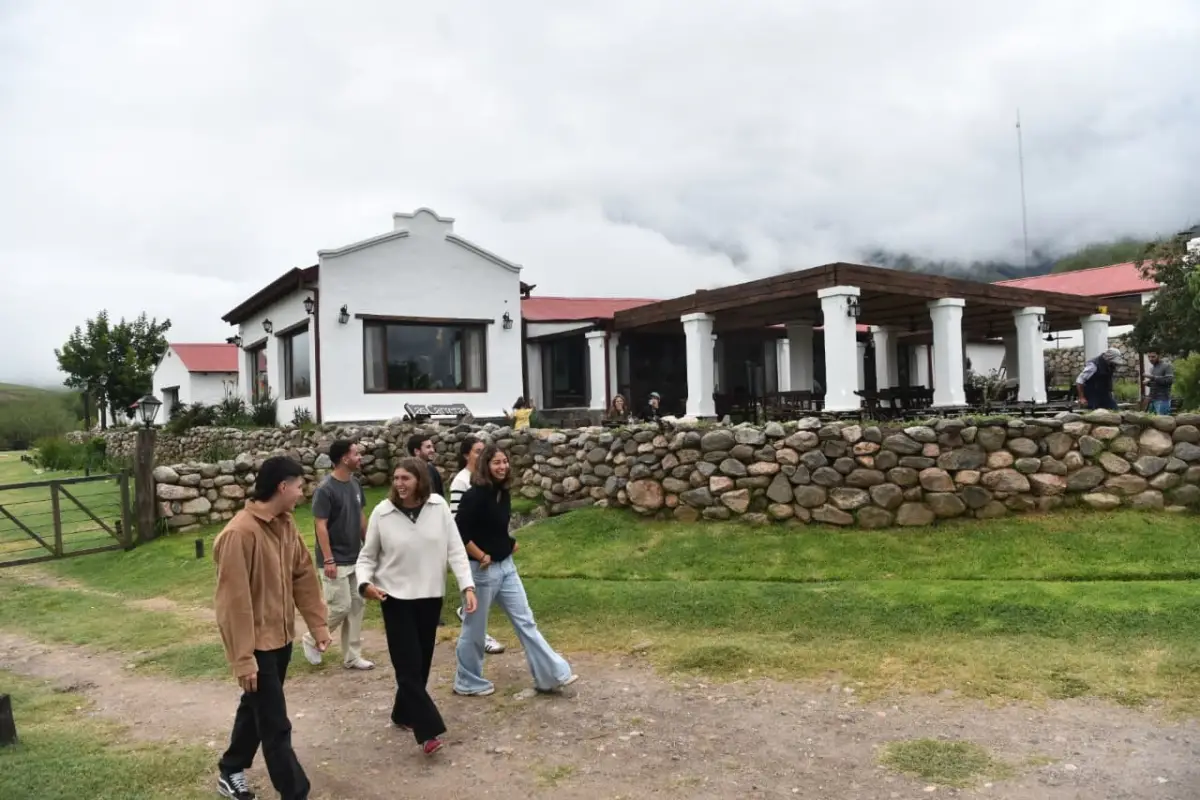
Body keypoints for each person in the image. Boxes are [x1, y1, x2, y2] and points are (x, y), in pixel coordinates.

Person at [213, 456, 330, 800]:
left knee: (257, 708)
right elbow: (233, 604)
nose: (301, 493)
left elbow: (304, 576)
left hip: (281, 640)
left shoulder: (286, 524)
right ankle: (296, 793)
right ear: (282, 486)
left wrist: (318, 624)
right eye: (298, 486)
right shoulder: (239, 533)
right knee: (276, 724)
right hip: (256, 647)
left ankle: (231, 768)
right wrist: (243, 658)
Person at [356, 459, 477, 756]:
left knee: (420, 664)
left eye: (406, 478)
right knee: (407, 667)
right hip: (393, 598)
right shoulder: (382, 513)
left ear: (420, 480)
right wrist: (364, 584)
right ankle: (428, 730)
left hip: (429, 596)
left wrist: (467, 586)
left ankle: (402, 714)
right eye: (396, 478)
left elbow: (456, 550)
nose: (399, 483)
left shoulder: (439, 508)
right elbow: (367, 557)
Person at [454, 444, 578, 697]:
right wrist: (481, 555)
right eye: (496, 462)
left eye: (504, 461)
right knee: (474, 630)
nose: (502, 467)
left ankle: (550, 676)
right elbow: (459, 532)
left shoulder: (503, 492)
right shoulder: (474, 495)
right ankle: (467, 681)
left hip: (507, 567)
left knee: (526, 621)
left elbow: (497, 528)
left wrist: (509, 544)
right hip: (482, 571)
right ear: (485, 466)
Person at [301, 440, 373, 671]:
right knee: (340, 606)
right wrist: (329, 558)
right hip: (334, 560)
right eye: (355, 453)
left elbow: (361, 517)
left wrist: (370, 546)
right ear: (344, 458)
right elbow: (320, 526)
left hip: (355, 557)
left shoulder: (355, 484)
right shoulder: (325, 490)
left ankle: (352, 656)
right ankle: (313, 638)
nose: (359, 456)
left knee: (356, 605)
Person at [449, 437, 506, 655]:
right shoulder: (462, 482)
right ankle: (478, 641)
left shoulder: (484, 481)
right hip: (472, 555)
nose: (482, 456)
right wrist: (479, 554)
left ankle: (473, 627)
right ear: (466, 455)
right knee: (475, 603)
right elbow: (457, 524)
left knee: (480, 600)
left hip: (486, 553)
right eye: (477, 451)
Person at [406, 433, 444, 498]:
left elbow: (440, 495)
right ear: (417, 451)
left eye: (432, 447)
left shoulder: (432, 469)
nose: (433, 450)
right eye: (428, 447)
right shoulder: (407, 471)